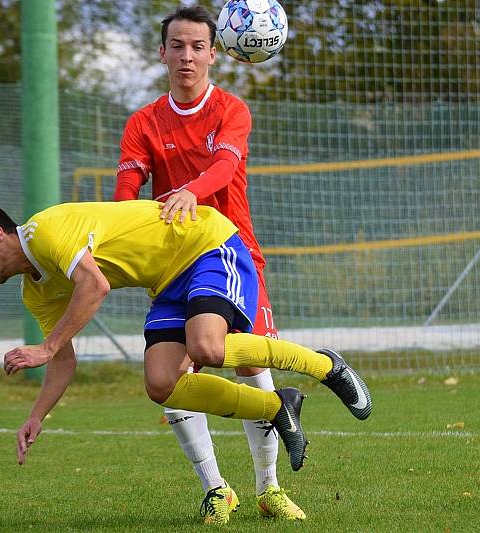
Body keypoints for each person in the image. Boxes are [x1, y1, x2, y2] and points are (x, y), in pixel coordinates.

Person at [0, 186, 372, 524]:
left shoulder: (45, 231)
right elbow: (64, 361)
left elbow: (95, 287)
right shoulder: (35, 289)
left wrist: (46, 345)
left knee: (207, 346)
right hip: (166, 284)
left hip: (205, 245)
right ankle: (279, 405)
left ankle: (326, 365)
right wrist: (36, 415)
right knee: (162, 383)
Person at [113, 4, 295, 523]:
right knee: (170, 374)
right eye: (178, 45)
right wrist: (128, 238)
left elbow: (225, 165)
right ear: (162, 52)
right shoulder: (143, 122)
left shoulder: (231, 111)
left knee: (252, 364)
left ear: (215, 53)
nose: (187, 55)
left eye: (197, 46)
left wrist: (190, 193)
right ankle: (217, 487)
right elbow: (126, 192)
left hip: (234, 254)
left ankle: (269, 488)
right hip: (172, 263)